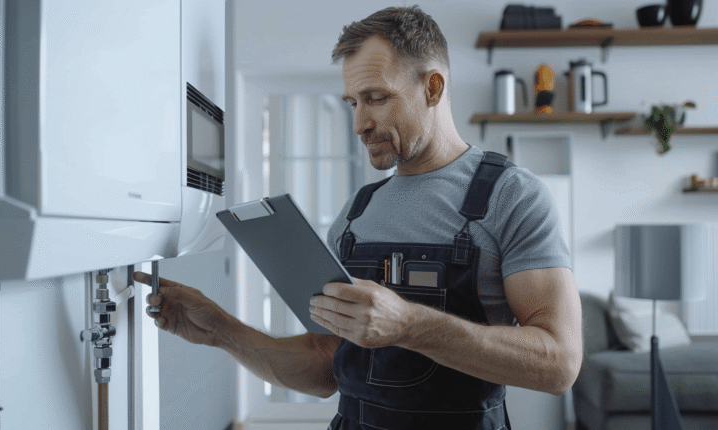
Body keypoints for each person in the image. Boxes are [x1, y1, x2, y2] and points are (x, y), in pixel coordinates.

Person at [135, 6, 582, 430]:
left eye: (376, 98)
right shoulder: (356, 214)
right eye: (352, 102)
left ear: (433, 88)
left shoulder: (512, 197)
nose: (359, 124)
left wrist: (409, 325)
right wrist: (221, 330)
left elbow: (559, 363)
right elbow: (326, 364)